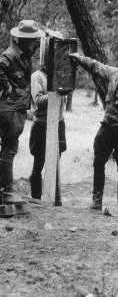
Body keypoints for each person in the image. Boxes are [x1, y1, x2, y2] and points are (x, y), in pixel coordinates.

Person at [70, 51, 118, 214]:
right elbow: (96, 66)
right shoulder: (114, 74)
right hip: (107, 127)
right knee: (98, 162)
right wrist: (79, 58)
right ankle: (97, 200)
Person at [0, 20, 44, 205]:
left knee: (9, 149)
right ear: (20, 40)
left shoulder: (24, 54)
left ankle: (6, 190)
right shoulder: (10, 54)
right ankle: (6, 192)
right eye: (32, 40)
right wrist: (7, 86)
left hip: (16, 108)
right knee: (9, 150)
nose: (35, 43)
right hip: (10, 108)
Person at [28, 32, 67, 202]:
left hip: (58, 122)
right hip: (42, 124)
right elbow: (38, 100)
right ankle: (36, 197)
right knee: (39, 163)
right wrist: (54, 93)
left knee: (56, 160)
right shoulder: (38, 76)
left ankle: (55, 196)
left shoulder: (57, 75)